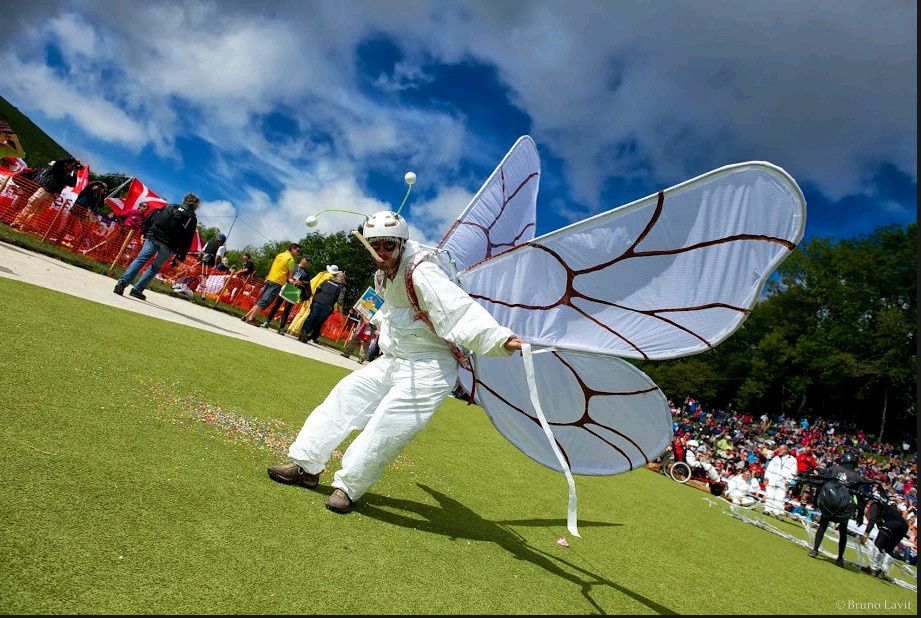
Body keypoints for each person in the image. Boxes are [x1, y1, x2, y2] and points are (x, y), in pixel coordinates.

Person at [268, 210, 524, 514]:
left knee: (388, 423)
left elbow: (456, 308)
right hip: (395, 359)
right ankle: (305, 467)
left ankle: (348, 487)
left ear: (402, 244)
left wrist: (498, 338)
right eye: (374, 245)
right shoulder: (381, 274)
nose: (381, 252)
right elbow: (393, 312)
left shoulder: (421, 270)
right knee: (345, 396)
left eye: (388, 245)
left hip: (430, 366)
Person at [113, 192, 200, 300]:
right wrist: (180, 256)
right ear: (195, 206)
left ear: (184, 200)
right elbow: (187, 239)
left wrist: (144, 232)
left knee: (141, 259)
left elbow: (153, 216)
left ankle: (123, 281)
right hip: (169, 245)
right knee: (154, 267)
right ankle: (137, 289)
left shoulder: (171, 206)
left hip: (153, 236)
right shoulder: (191, 217)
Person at [800, 452, 872, 566]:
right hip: (843, 507)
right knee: (842, 532)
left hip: (830, 503)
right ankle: (839, 558)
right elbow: (860, 497)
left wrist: (816, 501)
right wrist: (860, 515)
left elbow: (823, 483)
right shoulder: (856, 476)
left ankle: (815, 550)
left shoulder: (835, 469)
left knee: (823, 525)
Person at [11, 157, 81, 229]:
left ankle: (25, 226)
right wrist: (73, 160)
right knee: (31, 207)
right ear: (66, 164)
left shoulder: (68, 176)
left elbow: (73, 184)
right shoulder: (57, 169)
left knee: (38, 212)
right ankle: (18, 222)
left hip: (52, 195)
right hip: (44, 191)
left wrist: (75, 172)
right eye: (71, 166)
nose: (72, 168)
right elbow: (60, 161)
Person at [241, 243, 301, 325]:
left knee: (262, 300)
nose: (298, 253)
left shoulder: (280, 255)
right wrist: (295, 282)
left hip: (270, 278)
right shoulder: (291, 260)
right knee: (265, 301)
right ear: (292, 249)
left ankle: (247, 316)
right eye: (297, 250)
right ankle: (250, 318)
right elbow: (290, 278)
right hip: (277, 281)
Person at [859, 491, 910, 580]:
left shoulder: (875, 504)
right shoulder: (885, 507)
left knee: (878, 544)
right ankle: (882, 571)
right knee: (888, 549)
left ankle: (873, 569)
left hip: (893, 524)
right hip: (904, 526)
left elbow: (872, 520)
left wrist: (866, 534)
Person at [298, 268, 346, 343]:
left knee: (311, 317)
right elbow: (340, 300)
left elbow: (317, 289)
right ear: (342, 278)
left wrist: (314, 300)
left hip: (317, 301)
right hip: (327, 305)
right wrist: (341, 313)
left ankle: (303, 332)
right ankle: (307, 334)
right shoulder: (342, 287)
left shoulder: (326, 280)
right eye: (344, 278)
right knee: (318, 321)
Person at [269, 256, 312, 334]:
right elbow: (285, 273)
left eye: (309, 261)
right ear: (302, 259)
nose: (307, 262)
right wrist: (289, 279)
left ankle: (281, 328)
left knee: (287, 310)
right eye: (307, 260)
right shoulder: (294, 266)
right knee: (276, 305)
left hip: (295, 290)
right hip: (286, 286)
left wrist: (301, 282)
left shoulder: (307, 272)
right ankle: (267, 321)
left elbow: (307, 283)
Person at [763, 443, 797, 518]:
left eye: (781, 449)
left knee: (780, 497)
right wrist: (766, 477)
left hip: (783, 481)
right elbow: (769, 469)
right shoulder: (775, 458)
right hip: (772, 479)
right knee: (769, 495)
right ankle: (767, 510)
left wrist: (788, 480)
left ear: (785, 450)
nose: (779, 450)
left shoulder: (792, 460)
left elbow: (793, 472)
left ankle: (778, 513)